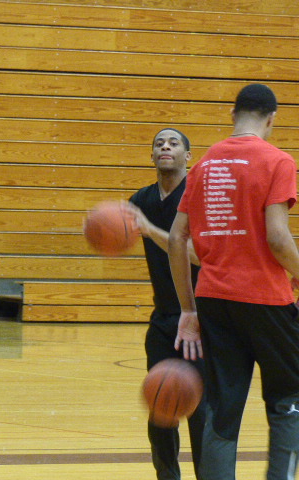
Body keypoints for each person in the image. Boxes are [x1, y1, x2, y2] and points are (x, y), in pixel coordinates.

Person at [168, 83, 299, 480]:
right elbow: (278, 239)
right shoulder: (277, 161)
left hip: (213, 300)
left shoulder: (204, 164)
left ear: (233, 114)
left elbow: (176, 238)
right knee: (289, 398)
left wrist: (187, 309)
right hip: (265, 299)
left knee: (222, 405)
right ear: (272, 119)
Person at [124, 128, 205, 480]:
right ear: (152, 156)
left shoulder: (199, 197)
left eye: (174, 143)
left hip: (202, 319)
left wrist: (149, 229)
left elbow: (198, 255)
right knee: (161, 406)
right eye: (159, 143)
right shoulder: (140, 200)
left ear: (188, 156)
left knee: (201, 412)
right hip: (163, 319)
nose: (165, 147)